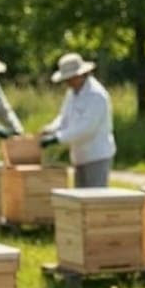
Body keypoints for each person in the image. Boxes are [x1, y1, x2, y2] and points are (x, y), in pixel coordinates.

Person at [39, 51, 116, 188]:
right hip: (79, 156)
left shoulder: (97, 95)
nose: (67, 82)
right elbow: (64, 117)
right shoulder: (72, 92)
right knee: (80, 201)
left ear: (81, 75)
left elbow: (86, 129)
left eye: (70, 78)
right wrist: (51, 129)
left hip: (96, 156)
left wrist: (57, 138)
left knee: (95, 200)